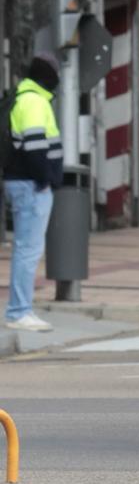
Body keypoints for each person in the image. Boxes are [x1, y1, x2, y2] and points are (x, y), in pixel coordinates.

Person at [6, 55, 63, 333]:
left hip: (26, 183)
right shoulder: (34, 101)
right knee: (28, 249)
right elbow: (35, 148)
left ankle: (20, 309)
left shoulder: (27, 96)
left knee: (26, 248)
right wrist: (46, 179)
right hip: (31, 185)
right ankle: (19, 311)